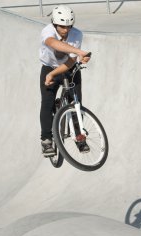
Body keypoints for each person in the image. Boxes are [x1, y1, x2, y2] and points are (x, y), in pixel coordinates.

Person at [39, 5, 91, 157]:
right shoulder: (48, 30)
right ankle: (46, 139)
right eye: (62, 26)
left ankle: (79, 136)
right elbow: (53, 43)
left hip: (68, 68)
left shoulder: (77, 34)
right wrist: (79, 52)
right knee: (47, 102)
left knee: (76, 103)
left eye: (69, 26)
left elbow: (70, 62)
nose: (65, 30)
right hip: (48, 67)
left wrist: (55, 73)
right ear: (55, 24)